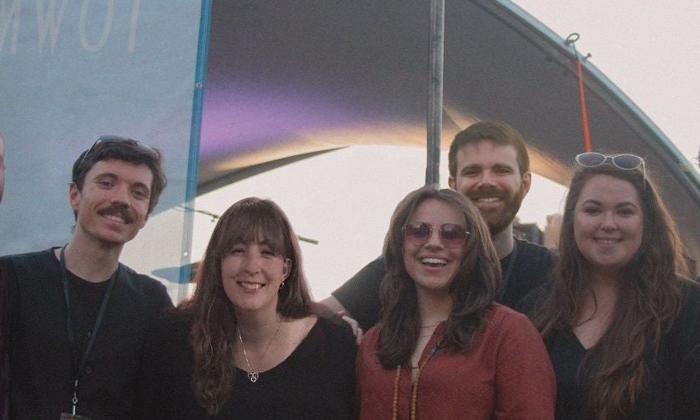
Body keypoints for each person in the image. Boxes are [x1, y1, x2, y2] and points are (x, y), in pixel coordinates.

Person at [0, 136, 173, 419]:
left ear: (146, 216)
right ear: (74, 195)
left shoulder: (153, 302)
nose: (121, 199)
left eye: (138, 192)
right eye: (106, 183)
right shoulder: (11, 280)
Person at [137, 197, 356, 419]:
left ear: (286, 270)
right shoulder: (174, 338)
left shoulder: (333, 343)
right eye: (238, 250)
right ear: (218, 263)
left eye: (267, 253)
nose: (252, 266)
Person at [323, 121, 554, 330]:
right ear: (453, 185)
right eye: (472, 172)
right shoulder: (403, 268)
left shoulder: (553, 273)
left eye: (501, 170)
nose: (486, 181)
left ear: (525, 183)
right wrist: (341, 335)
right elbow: (313, 320)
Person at [525, 152, 700, 419]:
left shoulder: (687, 307)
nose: (608, 224)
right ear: (573, 219)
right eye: (593, 210)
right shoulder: (538, 308)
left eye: (624, 211)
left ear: (647, 223)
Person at [357, 186, 555, 419]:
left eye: (451, 233)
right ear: (400, 243)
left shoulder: (508, 332)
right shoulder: (374, 341)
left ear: (472, 248)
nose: (433, 243)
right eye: (418, 231)